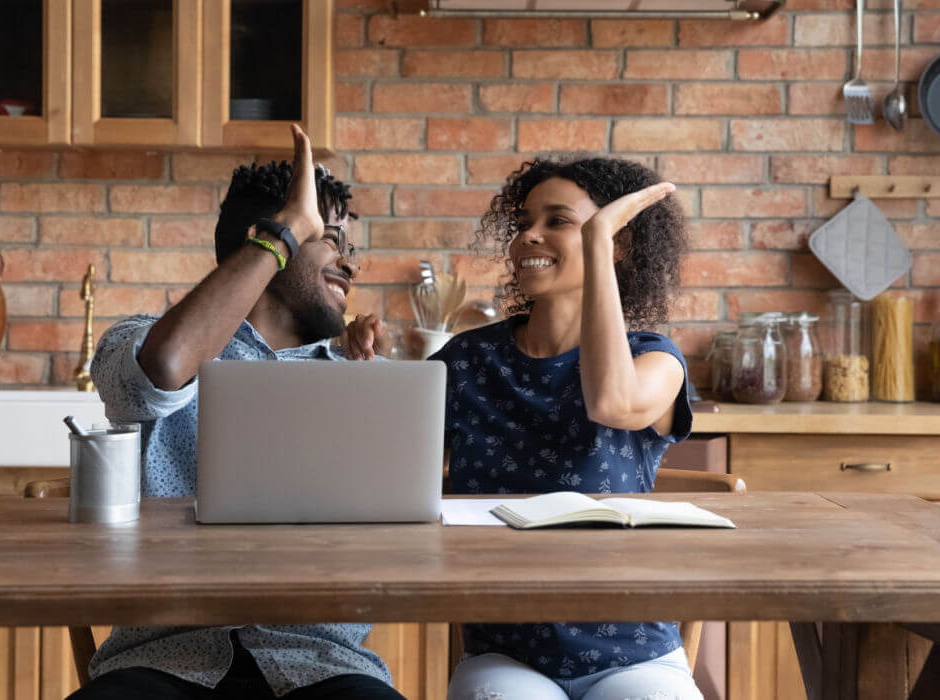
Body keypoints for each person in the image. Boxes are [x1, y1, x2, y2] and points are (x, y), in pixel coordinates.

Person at [68, 125, 400, 700]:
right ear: (266, 238)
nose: (351, 263)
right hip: (165, 658)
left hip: (322, 664)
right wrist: (288, 233)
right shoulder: (141, 339)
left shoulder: (361, 373)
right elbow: (167, 367)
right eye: (331, 239)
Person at [431, 156, 703, 700]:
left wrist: (600, 235)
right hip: (505, 649)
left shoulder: (655, 359)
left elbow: (611, 401)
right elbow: (391, 478)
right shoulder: (463, 360)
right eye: (525, 222)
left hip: (637, 651)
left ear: (619, 245)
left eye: (557, 221)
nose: (529, 235)